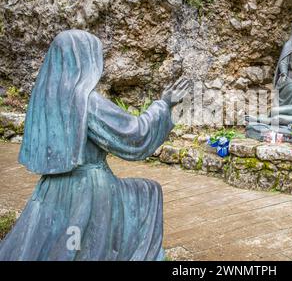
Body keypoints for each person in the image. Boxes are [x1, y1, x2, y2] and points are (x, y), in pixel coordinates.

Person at [0, 30, 190, 261]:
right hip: (90, 189)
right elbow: (135, 135)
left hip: (52, 189)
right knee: (149, 191)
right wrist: (163, 104)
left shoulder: (45, 98)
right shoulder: (88, 101)